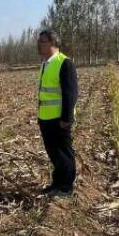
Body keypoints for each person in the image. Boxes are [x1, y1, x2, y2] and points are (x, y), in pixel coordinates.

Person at [37, 29, 78, 197]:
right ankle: (57, 183)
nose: (38, 44)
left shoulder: (64, 63)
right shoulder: (46, 63)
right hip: (45, 118)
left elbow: (71, 92)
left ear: (53, 43)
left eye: (42, 41)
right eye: (38, 41)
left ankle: (66, 187)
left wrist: (66, 118)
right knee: (54, 154)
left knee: (64, 154)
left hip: (59, 119)